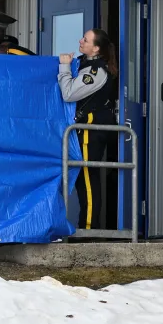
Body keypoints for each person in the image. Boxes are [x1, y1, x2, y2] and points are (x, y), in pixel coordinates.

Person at [58, 29, 118, 231]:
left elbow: (68, 93)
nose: (80, 41)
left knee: (87, 182)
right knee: (82, 180)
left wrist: (64, 66)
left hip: (90, 134)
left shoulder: (96, 72)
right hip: (83, 133)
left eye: (85, 39)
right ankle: (85, 227)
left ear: (96, 48)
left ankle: (88, 229)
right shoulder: (86, 65)